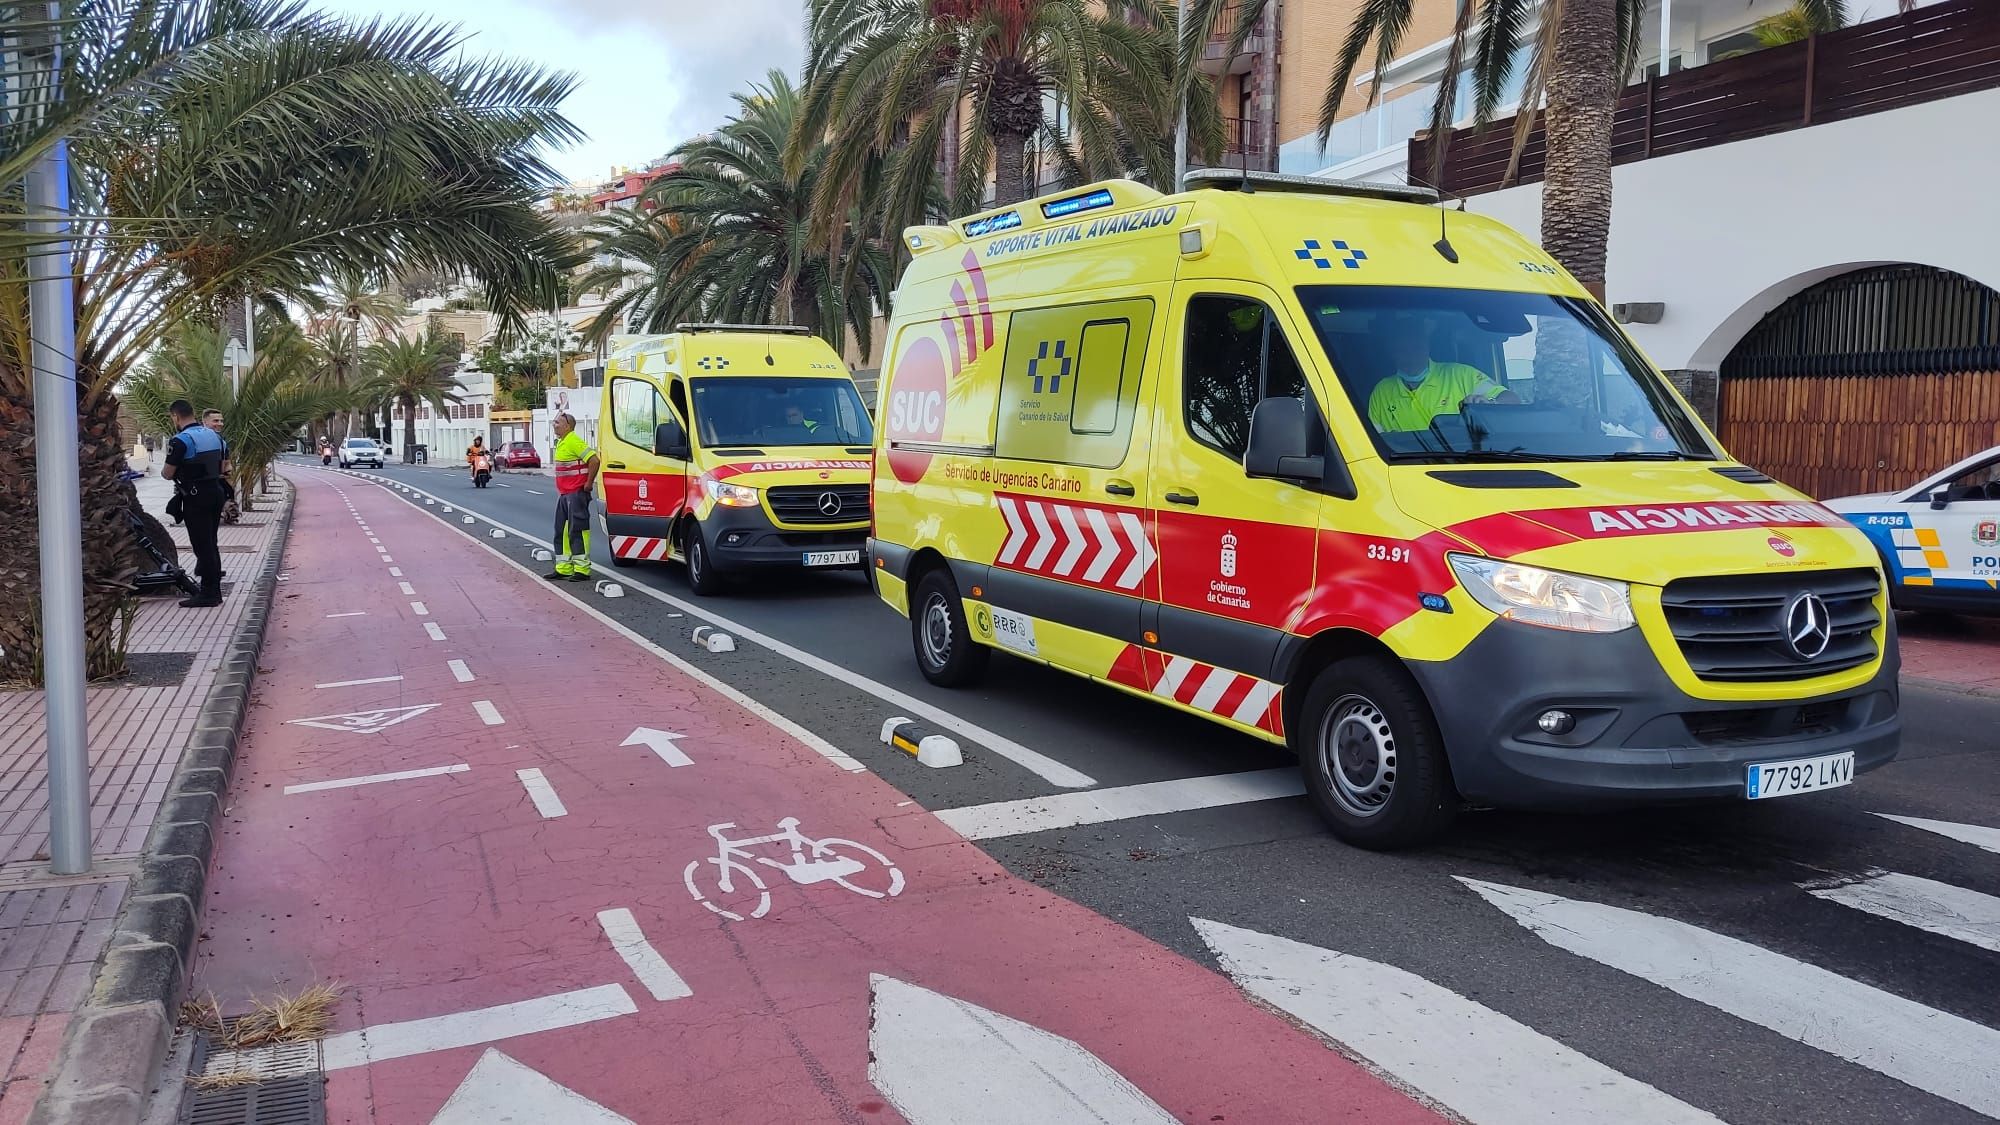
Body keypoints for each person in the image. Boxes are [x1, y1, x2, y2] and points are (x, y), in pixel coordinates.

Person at [1365, 316, 1518, 433]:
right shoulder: (1381, 392)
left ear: (1427, 345)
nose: (1411, 355)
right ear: (1391, 352)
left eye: (1417, 346)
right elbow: (1370, 443)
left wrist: (1490, 404)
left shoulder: (1460, 374)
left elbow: (1513, 400)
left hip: (1468, 462)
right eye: (1404, 349)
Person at [161, 400, 226, 607]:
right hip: (216, 492)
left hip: (195, 496)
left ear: (175, 417)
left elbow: (167, 473)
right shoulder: (215, 437)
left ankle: (209, 594)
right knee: (211, 542)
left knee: (202, 545)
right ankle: (212, 588)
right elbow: (225, 467)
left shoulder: (180, 440)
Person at [547, 412, 599, 582]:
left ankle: (582, 570)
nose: (554, 424)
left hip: (576, 493)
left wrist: (589, 483)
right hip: (564, 494)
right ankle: (563, 568)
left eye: (558, 422)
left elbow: (594, 460)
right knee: (561, 532)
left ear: (567, 426)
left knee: (577, 530)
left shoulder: (573, 441)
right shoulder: (562, 442)